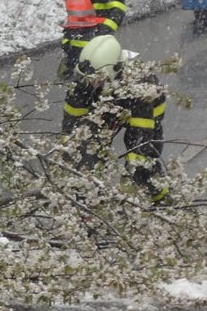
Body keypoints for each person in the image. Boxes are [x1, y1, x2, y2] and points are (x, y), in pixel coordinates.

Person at [61, 35, 168, 203]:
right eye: (90, 80)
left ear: (114, 70)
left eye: (98, 80)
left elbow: (142, 134)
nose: (92, 84)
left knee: (143, 163)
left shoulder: (140, 83)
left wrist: (132, 171)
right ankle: (92, 205)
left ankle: (162, 201)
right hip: (108, 108)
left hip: (143, 113)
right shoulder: (84, 79)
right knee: (87, 156)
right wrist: (73, 153)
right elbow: (72, 124)